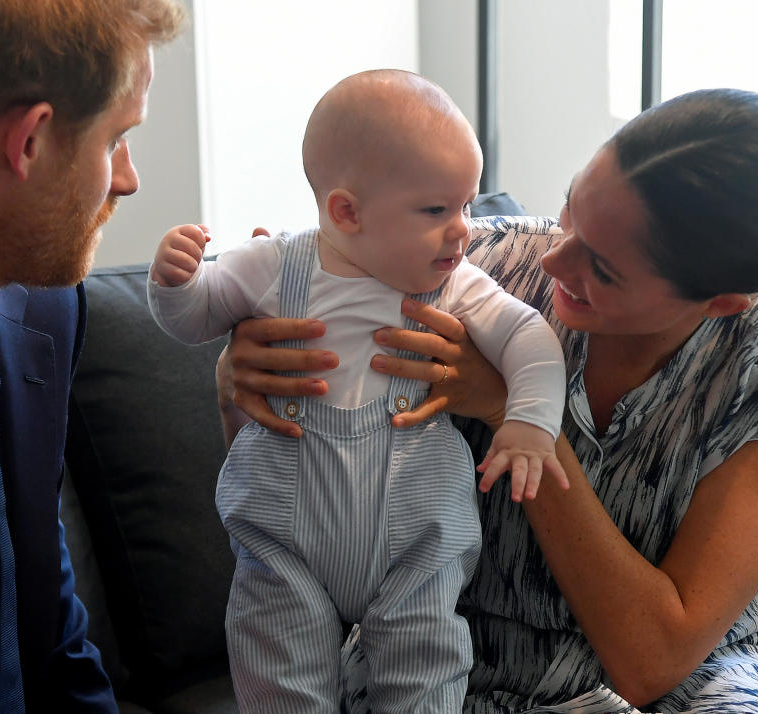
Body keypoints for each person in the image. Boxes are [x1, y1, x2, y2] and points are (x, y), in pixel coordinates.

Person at [220, 87, 758, 713]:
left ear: (721, 302)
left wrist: (511, 408)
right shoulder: (472, 265)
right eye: (570, 213)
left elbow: (652, 660)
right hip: (455, 643)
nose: (555, 262)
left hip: (698, 673)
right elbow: (296, 492)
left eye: (604, 268)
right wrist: (243, 379)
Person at [147, 69, 568, 712]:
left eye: (467, 204)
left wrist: (530, 423)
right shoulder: (271, 266)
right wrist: (175, 285)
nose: (462, 230)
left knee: (425, 669)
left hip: (417, 537)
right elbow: (193, 321)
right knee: (276, 675)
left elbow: (530, 337)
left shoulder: (454, 283)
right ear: (347, 211)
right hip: (284, 539)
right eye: (435, 210)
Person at [0, 1, 185, 712]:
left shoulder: (43, 312)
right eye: (115, 140)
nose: (125, 180)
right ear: (30, 141)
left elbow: (52, 632)